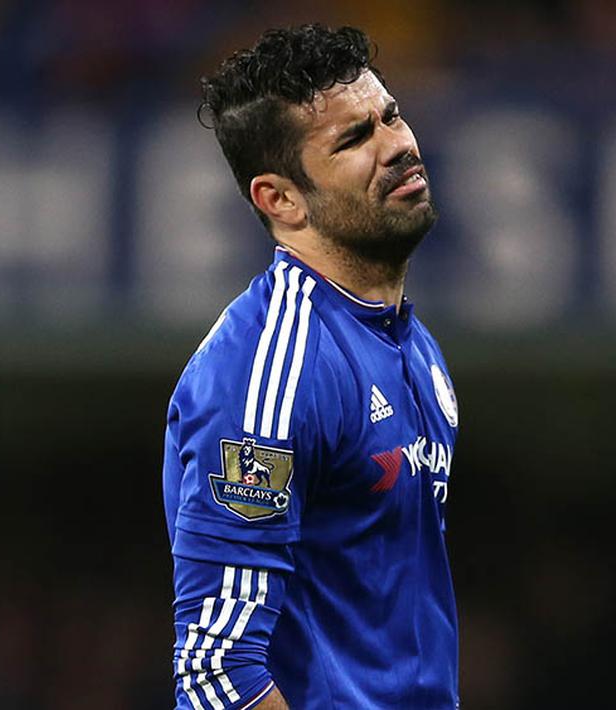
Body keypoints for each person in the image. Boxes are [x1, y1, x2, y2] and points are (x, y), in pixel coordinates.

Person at [162, 24, 460, 709]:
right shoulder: (268, 372)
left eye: (390, 115)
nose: (398, 145)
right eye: (353, 141)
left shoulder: (412, 346)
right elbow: (217, 673)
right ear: (280, 199)